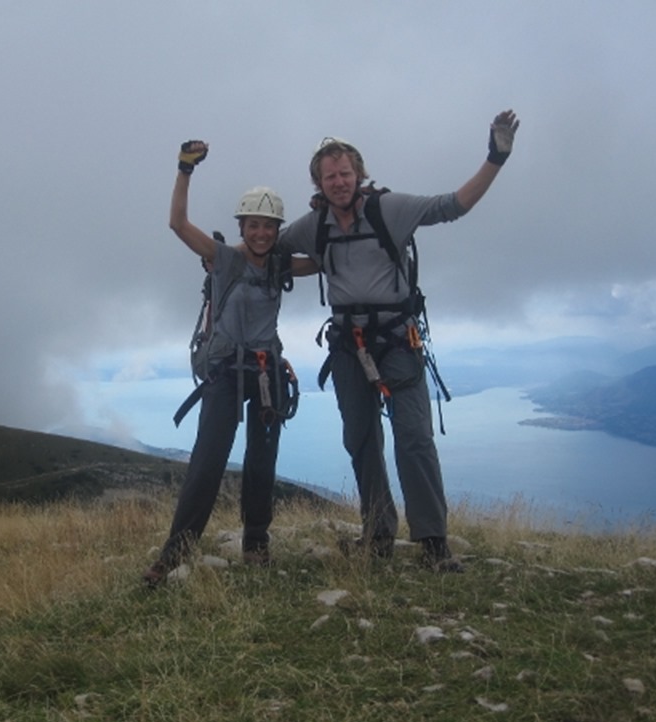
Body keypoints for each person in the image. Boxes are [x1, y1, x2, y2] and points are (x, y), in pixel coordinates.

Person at [275, 111, 520, 572]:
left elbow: (454, 205)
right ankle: (378, 535)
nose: (339, 182)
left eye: (345, 173)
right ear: (318, 182)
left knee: (414, 439)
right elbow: (270, 251)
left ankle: (433, 543)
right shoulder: (314, 226)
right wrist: (224, 261)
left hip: (397, 342)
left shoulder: (390, 209)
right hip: (348, 345)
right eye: (330, 176)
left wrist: (495, 158)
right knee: (361, 440)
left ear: (360, 174)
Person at [142, 140, 310, 587]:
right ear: (242, 226)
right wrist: (184, 170)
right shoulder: (224, 259)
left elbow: (327, 259)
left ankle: (256, 545)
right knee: (207, 464)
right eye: (254, 225)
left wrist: (332, 216)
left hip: (267, 372)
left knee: (262, 462)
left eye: (269, 227)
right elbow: (177, 223)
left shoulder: (279, 265)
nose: (261, 234)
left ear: (277, 230)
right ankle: (173, 554)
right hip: (226, 374)